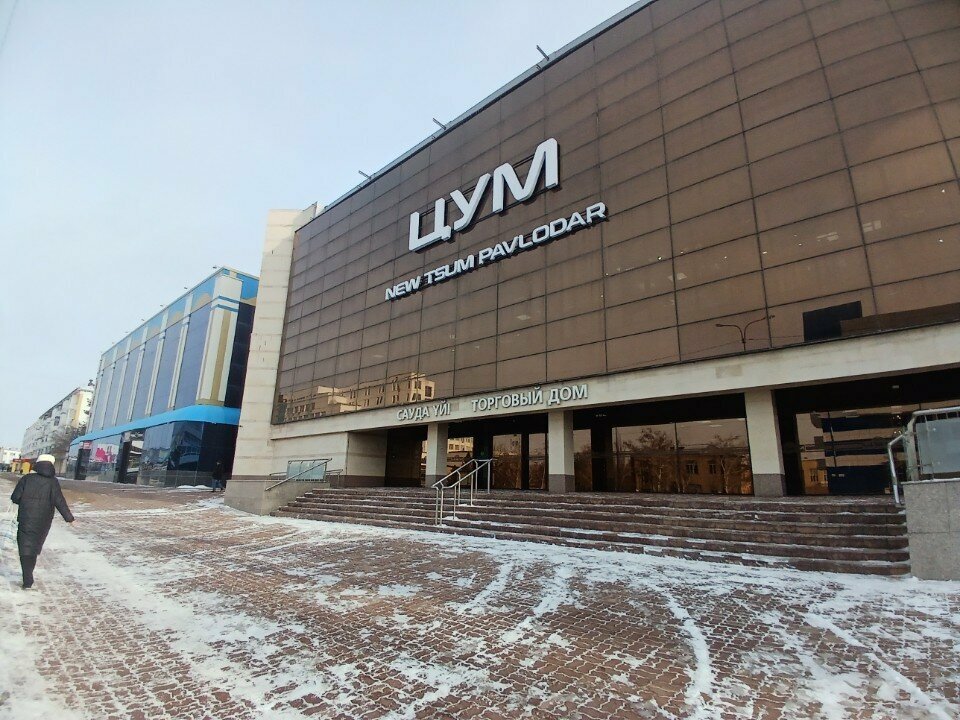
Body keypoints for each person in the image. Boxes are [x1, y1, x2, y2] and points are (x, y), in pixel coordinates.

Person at [10, 453, 74, 589]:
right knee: (34, 547)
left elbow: (15, 497)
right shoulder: (53, 482)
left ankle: (27, 578)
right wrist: (69, 519)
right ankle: (28, 576)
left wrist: (26, 501)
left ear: (37, 464)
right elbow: (59, 501)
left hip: (26, 518)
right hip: (44, 521)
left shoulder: (27, 479)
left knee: (25, 546)